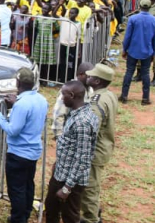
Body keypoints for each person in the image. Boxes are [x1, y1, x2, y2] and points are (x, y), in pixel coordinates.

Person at [0, 68, 48, 223]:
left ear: (18, 83)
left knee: (17, 190)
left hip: (18, 154)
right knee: (28, 185)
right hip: (33, 152)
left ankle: (18, 219)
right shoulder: (42, 100)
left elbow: (13, 130)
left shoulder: (22, 104)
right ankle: (25, 215)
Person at [43, 81, 99, 223]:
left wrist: (67, 188)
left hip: (71, 181)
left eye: (64, 95)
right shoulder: (76, 113)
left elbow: (82, 159)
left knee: (70, 217)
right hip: (61, 173)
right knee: (51, 208)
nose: (62, 98)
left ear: (72, 95)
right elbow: (71, 146)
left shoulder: (82, 123)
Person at [80, 64, 119, 223]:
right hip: (104, 146)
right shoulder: (109, 95)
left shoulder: (97, 102)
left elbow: (91, 129)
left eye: (91, 76)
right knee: (92, 183)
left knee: (90, 186)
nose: (87, 77)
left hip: (95, 150)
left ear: (97, 81)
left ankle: (91, 218)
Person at [120, 0, 155, 105]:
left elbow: (127, 36)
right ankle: (145, 98)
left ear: (140, 6)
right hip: (147, 51)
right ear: (150, 7)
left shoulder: (133, 19)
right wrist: (153, 53)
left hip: (133, 50)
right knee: (145, 73)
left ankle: (124, 96)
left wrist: (125, 49)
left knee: (129, 72)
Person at [51, 62, 94, 140]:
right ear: (80, 74)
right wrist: (59, 136)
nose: (91, 79)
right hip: (68, 135)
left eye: (92, 76)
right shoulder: (69, 89)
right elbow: (59, 114)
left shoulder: (90, 90)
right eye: (88, 76)